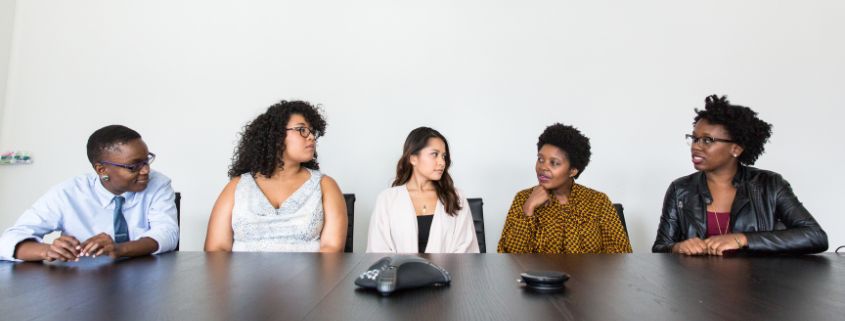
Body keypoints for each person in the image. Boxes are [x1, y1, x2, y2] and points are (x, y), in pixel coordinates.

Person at [652, 95, 828, 255]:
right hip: (698, 286)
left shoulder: (770, 185)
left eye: (707, 140)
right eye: (694, 138)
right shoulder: (680, 189)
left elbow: (815, 236)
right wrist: (677, 247)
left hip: (759, 284)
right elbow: (660, 247)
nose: (696, 146)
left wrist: (743, 239)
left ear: (735, 149)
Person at [0, 125, 179, 262]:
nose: (146, 170)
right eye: (134, 166)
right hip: (83, 285)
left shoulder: (158, 184)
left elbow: (167, 233)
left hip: (147, 282)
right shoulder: (68, 193)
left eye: (146, 160)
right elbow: (7, 241)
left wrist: (119, 249)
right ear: (102, 170)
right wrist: (47, 251)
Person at [204, 100, 347, 252]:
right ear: (276, 135)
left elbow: (331, 250)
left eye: (312, 131)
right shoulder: (237, 186)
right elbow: (216, 249)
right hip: (242, 276)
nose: (311, 136)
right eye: (302, 130)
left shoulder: (326, 186)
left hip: (309, 276)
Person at [497, 123, 632, 254]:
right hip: (539, 277)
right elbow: (509, 257)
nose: (543, 167)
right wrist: (528, 208)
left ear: (573, 170)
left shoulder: (598, 201)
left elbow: (621, 254)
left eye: (554, 163)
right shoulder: (523, 198)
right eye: (540, 159)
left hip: (588, 277)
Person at [367, 127, 479, 253]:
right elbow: (378, 250)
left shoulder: (455, 197)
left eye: (443, 156)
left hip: (447, 272)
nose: (442, 162)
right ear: (413, 158)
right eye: (434, 154)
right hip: (399, 272)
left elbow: (466, 248)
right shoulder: (387, 199)